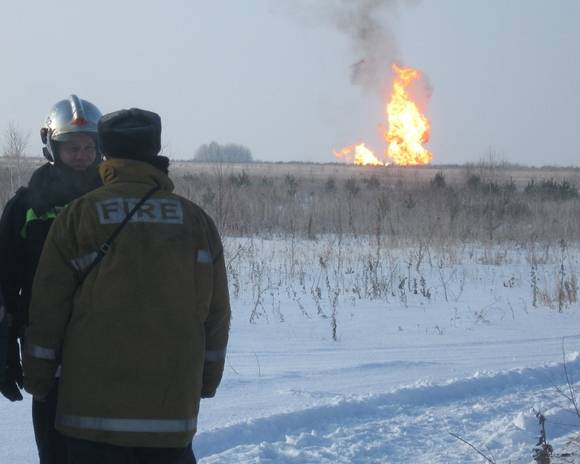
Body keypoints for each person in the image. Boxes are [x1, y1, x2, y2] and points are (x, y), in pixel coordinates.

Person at [23, 108, 231, 464]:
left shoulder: (79, 215)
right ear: (157, 149)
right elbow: (216, 315)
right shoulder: (197, 222)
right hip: (171, 418)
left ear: (106, 152)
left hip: (90, 420)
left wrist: (39, 380)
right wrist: (207, 381)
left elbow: (47, 309)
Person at [0, 95, 103, 463]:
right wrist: (4, 343)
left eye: (89, 147)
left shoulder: (113, 200)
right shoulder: (27, 206)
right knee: (54, 443)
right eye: (72, 147)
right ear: (52, 147)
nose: (81, 155)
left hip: (107, 343)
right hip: (45, 343)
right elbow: (4, 279)